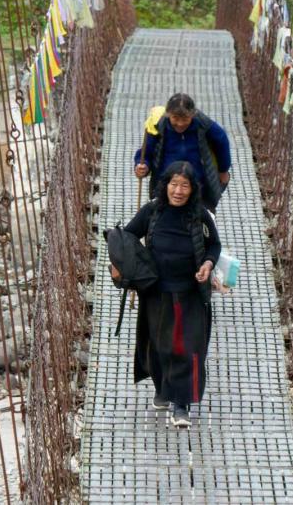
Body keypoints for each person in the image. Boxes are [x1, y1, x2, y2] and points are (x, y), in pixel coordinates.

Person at [112, 161, 221, 428]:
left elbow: (213, 245)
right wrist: (124, 267)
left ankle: (181, 403)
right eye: (174, 184)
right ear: (166, 185)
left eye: (185, 185)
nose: (178, 191)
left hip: (189, 294)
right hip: (156, 292)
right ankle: (163, 387)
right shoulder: (151, 211)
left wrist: (207, 264)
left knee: (187, 347)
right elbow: (125, 237)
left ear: (193, 189)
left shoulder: (200, 215)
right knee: (159, 345)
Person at [134, 93, 231, 213]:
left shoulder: (202, 124)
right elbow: (146, 150)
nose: (180, 124)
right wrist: (143, 165)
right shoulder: (159, 125)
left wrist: (223, 170)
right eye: (175, 118)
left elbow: (221, 141)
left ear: (193, 115)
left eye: (185, 119)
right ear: (168, 114)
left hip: (197, 184)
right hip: (166, 184)